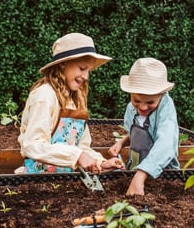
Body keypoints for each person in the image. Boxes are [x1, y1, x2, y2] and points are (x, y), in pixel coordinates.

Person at [17, 33, 124, 174]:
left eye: (88, 71)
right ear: (63, 64)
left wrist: (100, 163)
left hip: (67, 181)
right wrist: (77, 156)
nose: (85, 76)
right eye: (81, 68)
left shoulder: (75, 100)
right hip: (38, 181)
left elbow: (82, 147)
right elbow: (32, 145)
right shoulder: (44, 96)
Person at [108, 57, 180, 195]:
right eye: (136, 100)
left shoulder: (165, 109)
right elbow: (138, 131)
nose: (142, 107)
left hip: (163, 177)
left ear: (162, 94)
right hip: (135, 170)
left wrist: (141, 175)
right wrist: (122, 142)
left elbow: (166, 142)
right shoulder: (131, 108)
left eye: (150, 102)